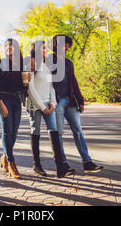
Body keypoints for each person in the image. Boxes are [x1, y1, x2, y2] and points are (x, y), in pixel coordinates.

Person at [49, 34, 103, 174]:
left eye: (68, 45)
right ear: (56, 45)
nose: (66, 48)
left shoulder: (69, 63)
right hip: (57, 102)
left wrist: (80, 100)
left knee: (78, 131)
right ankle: (63, 163)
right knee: (58, 134)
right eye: (64, 45)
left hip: (70, 100)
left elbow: (74, 82)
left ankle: (87, 162)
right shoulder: (48, 60)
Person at [26, 41, 71, 178]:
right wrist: (42, 107)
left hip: (48, 105)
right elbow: (30, 88)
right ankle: (37, 166)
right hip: (35, 105)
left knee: (54, 131)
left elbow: (51, 87)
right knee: (36, 132)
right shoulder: (32, 64)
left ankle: (60, 167)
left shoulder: (46, 66)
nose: (46, 50)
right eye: (43, 48)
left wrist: (52, 103)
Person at [0, 38, 27, 179]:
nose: (8, 47)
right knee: (7, 132)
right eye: (6, 46)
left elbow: (21, 86)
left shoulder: (20, 65)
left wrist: (25, 84)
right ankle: (12, 164)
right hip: (3, 99)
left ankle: (5, 157)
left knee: (14, 132)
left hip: (16, 99)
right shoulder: (1, 63)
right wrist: (0, 103)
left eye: (11, 45)